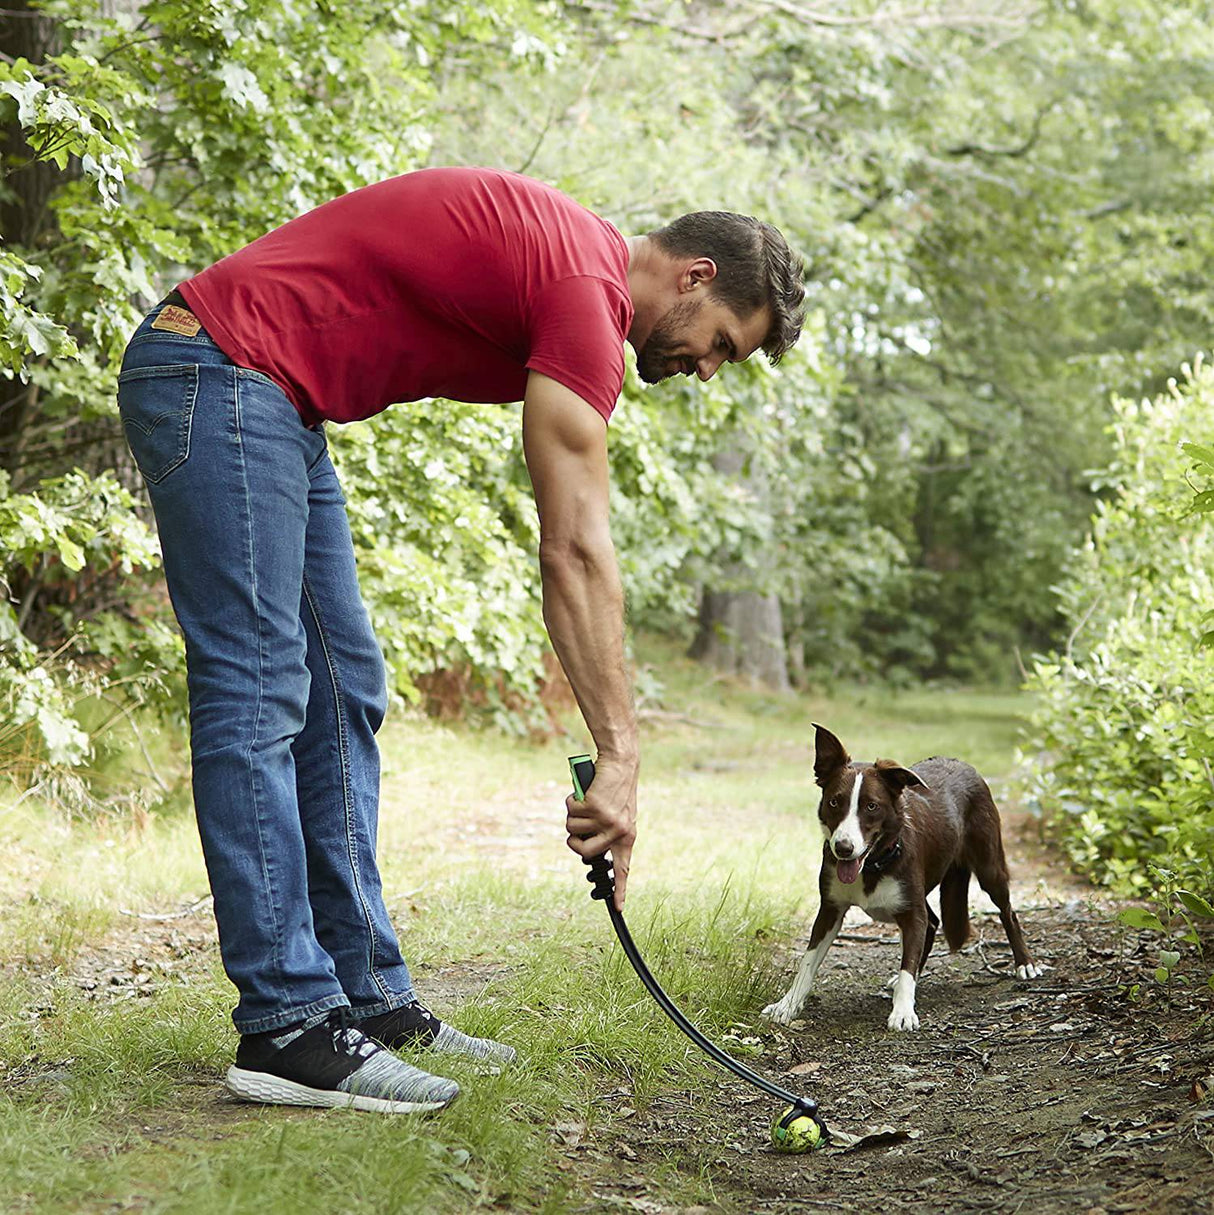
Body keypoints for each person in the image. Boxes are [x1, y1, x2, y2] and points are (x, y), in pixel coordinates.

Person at [116, 166, 805, 1115]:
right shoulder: (587, 295)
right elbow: (573, 548)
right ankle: (285, 1025)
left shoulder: (577, 271)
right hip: (220, 370)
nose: (708, 367)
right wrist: (621, 756)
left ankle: (368, 1000)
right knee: (260, 691)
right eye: (721, 341)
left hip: (272, 398)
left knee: (344, 684)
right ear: (691, 275)